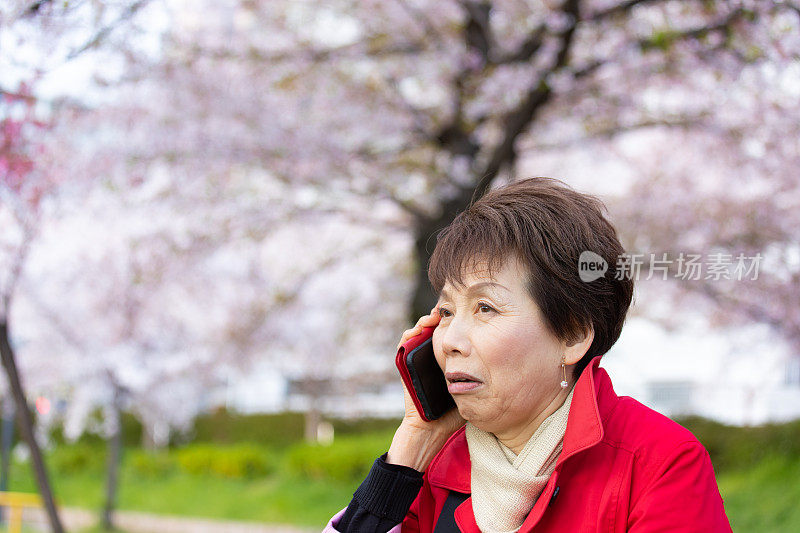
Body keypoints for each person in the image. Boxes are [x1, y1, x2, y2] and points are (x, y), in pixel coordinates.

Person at [325, 177, 732, 532]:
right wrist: (413, 445)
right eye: (447, 311)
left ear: (571, 335)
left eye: (485, 307)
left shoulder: (657, 462)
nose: (450, 340)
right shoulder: (436, 467)